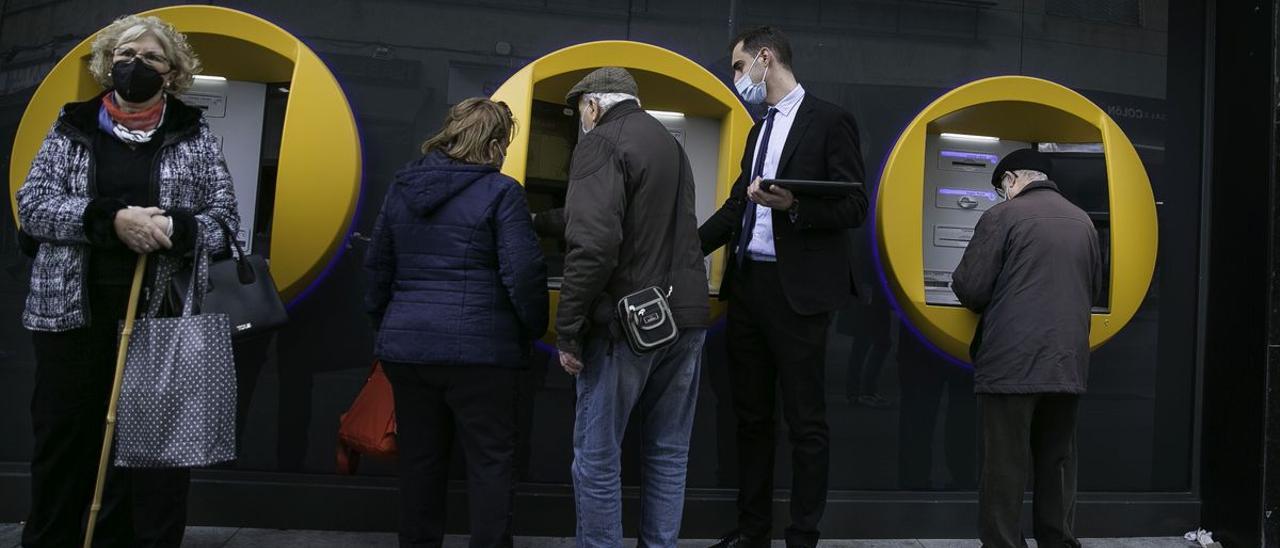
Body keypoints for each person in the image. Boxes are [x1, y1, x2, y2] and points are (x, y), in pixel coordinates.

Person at [16, 14, 239, 547]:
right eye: (124, 55)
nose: (134, 65)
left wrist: (174, 227)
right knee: (65, 445)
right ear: (107, 63)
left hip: (157, 319)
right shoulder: (71, 127)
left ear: (172, 72)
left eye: (150, 58)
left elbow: (226, 224)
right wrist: (112, 220)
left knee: (149, 455)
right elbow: (33, 206)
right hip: (70, 317)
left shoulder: (195, 136)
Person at [699, 26, 868, 548]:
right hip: (748, 286)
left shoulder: (830, 120)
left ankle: (802, 534)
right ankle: (753, 531)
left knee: (805, 422)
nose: (736, 77)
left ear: (764, 60)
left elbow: (854, 205)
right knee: (750, 417)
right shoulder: (758, 130)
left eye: (737, 65)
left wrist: (793, 205)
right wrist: (681, 250)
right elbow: (736, 206)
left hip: (799, 294)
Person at [364, 98, 548, 548]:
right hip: (483, 356)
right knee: (490, 465)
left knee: (420, 464)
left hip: (409, 351)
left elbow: (377, 268)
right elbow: (522, 273)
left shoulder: (402, 186)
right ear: (494, 143)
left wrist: (389, 324)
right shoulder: (502, 192)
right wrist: (532, 328)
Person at [554, 67, 709, 547]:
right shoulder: (670, 144)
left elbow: (595, 246)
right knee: (668, 452)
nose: (582, 120)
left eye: (580, 111)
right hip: (684, 318)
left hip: (629, 324)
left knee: (597, 455)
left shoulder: (600, 141)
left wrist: (569, 328)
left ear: (593, 105)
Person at [951, 148, 1103, 548]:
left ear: (1014, 179)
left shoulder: (1002, 217)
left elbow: (971, 287)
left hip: (1011, 365)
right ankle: (1057, 541)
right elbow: (1094, 288)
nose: (1003, 193)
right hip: (1067, 364)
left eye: (1002, 186)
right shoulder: (1084, 221)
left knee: (1005, 466)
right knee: (1056, 464)